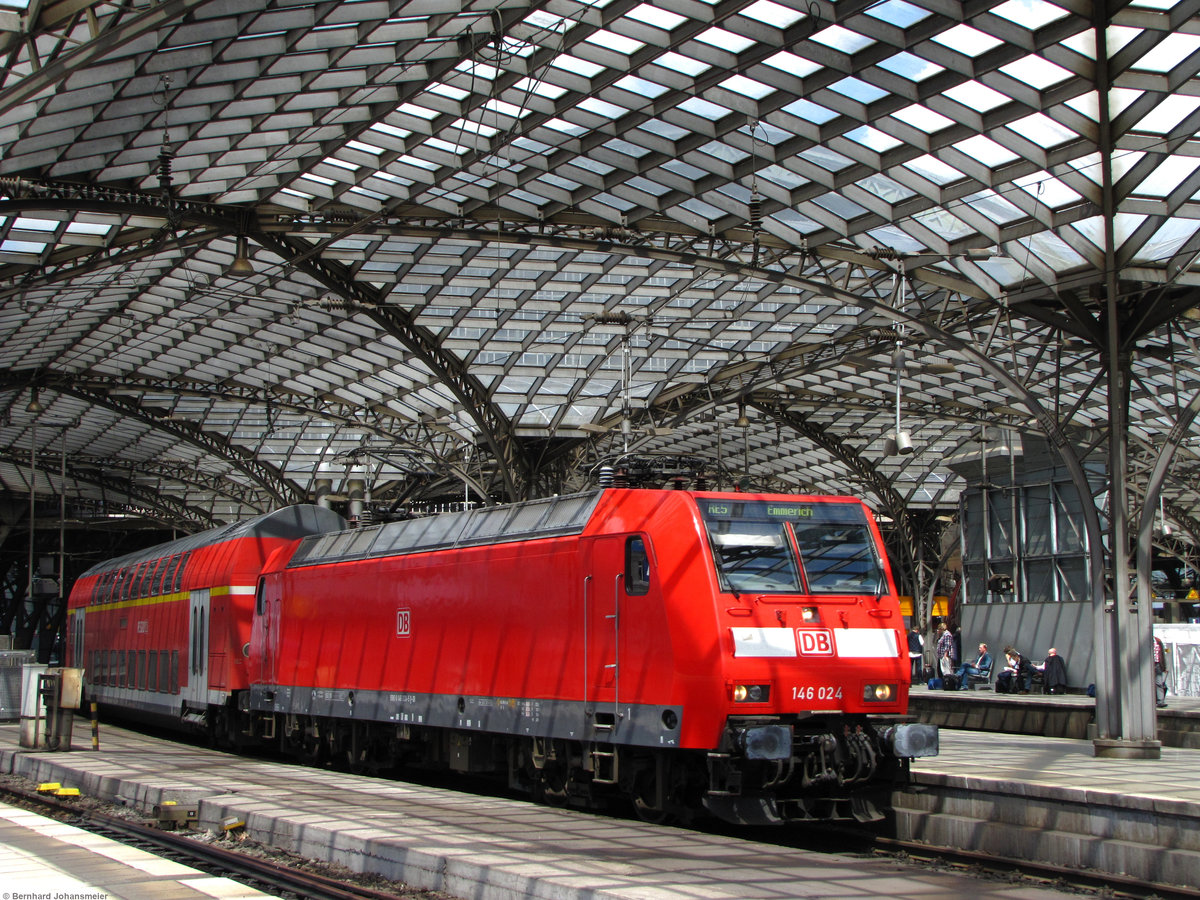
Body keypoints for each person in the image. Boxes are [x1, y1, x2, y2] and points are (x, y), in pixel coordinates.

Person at [1153, 635, 1168, 708]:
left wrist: (1164, 667)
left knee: (1159, 683)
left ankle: (1160, 701)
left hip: (1158, 664)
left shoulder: (1158, 641)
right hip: (1148, 665)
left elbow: (1162, 654)